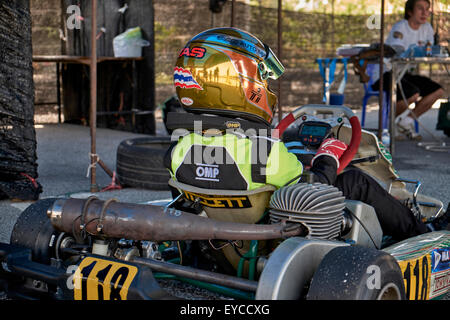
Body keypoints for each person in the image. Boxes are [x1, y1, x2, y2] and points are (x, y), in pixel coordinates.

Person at [165, 27, 447, 241]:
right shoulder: (262, 151)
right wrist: (328, 157)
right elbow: (312, 190)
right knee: (353, 181)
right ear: (241, 84)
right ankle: (420, 232)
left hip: (221, 246)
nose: (265, 84)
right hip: (271, 244)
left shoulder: (179, 147)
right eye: (262, 77)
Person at [372, 0, 444, 140]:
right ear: (410, 11)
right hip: (387, 72)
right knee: (412, 93)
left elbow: (428, 51)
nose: (425, 13)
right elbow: (397, 52)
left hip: (406, 73)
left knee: (438, 91)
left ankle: (406, 122)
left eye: (427, 9)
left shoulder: (427, 28)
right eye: (420, 8)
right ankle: (388, 126)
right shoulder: (400, 27)